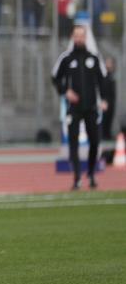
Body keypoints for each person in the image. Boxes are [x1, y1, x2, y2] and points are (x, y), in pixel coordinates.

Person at [52, 25, 107, 190]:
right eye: (76, 36)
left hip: (91, 107)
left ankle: (90, 174)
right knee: (73, 144)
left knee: (95, 142)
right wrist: (65, 91)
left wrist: (103, 99)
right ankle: (76, 178)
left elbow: (102, 80)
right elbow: (55, 78)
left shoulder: (94, 58)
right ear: (72, 37)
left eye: (81, 36)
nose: (79, 39)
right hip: (74, 109)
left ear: (86, 37)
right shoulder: (66, 58)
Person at [101, 58, 117, 141]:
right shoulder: (104, 76)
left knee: (109, 123)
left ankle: (107, 138)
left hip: (111, 103)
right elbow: (103, 90)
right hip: (105, 104)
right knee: (104, 125)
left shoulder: (112, 76)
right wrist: (103, 100)